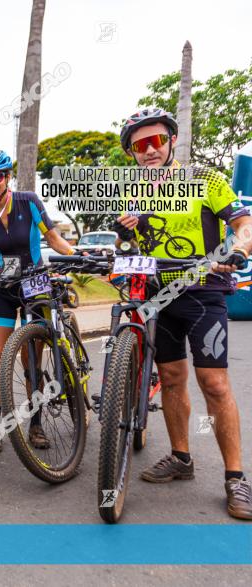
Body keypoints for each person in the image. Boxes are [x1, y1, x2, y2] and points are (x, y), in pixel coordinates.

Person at [115, 108, 252, 520]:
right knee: (172, 379)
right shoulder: (132, 193)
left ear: (171, 141)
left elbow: (243, 223)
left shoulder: (205, 180)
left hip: (204, 292)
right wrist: (122, 246)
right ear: (132, 153)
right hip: (158, 296)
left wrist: (239, 249)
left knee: (213, 383)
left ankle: (235, 478)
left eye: (157, 141)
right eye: (140, 145)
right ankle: (181, 458)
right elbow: (131, 248)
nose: (150, 150)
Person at [0, 149, 76, 452]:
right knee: (0, 360)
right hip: (3, 287)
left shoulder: (28, 202)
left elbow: (54, 239)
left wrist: (76, 255)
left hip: (35, 282)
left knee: (31, 359)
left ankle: (37, 425)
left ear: (7, 177)